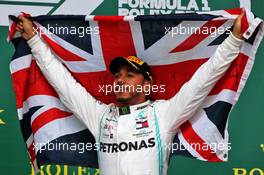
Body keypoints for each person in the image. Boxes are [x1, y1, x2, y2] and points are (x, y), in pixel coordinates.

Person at [15, 11, 244, 175]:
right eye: (117, 75)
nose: (121, 80)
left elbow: (202, 81)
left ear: (146, 85)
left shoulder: (163, 114)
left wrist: (233, 40)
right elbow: (63, 83)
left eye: (130, 75)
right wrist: (34, 40)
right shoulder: (101, 115)